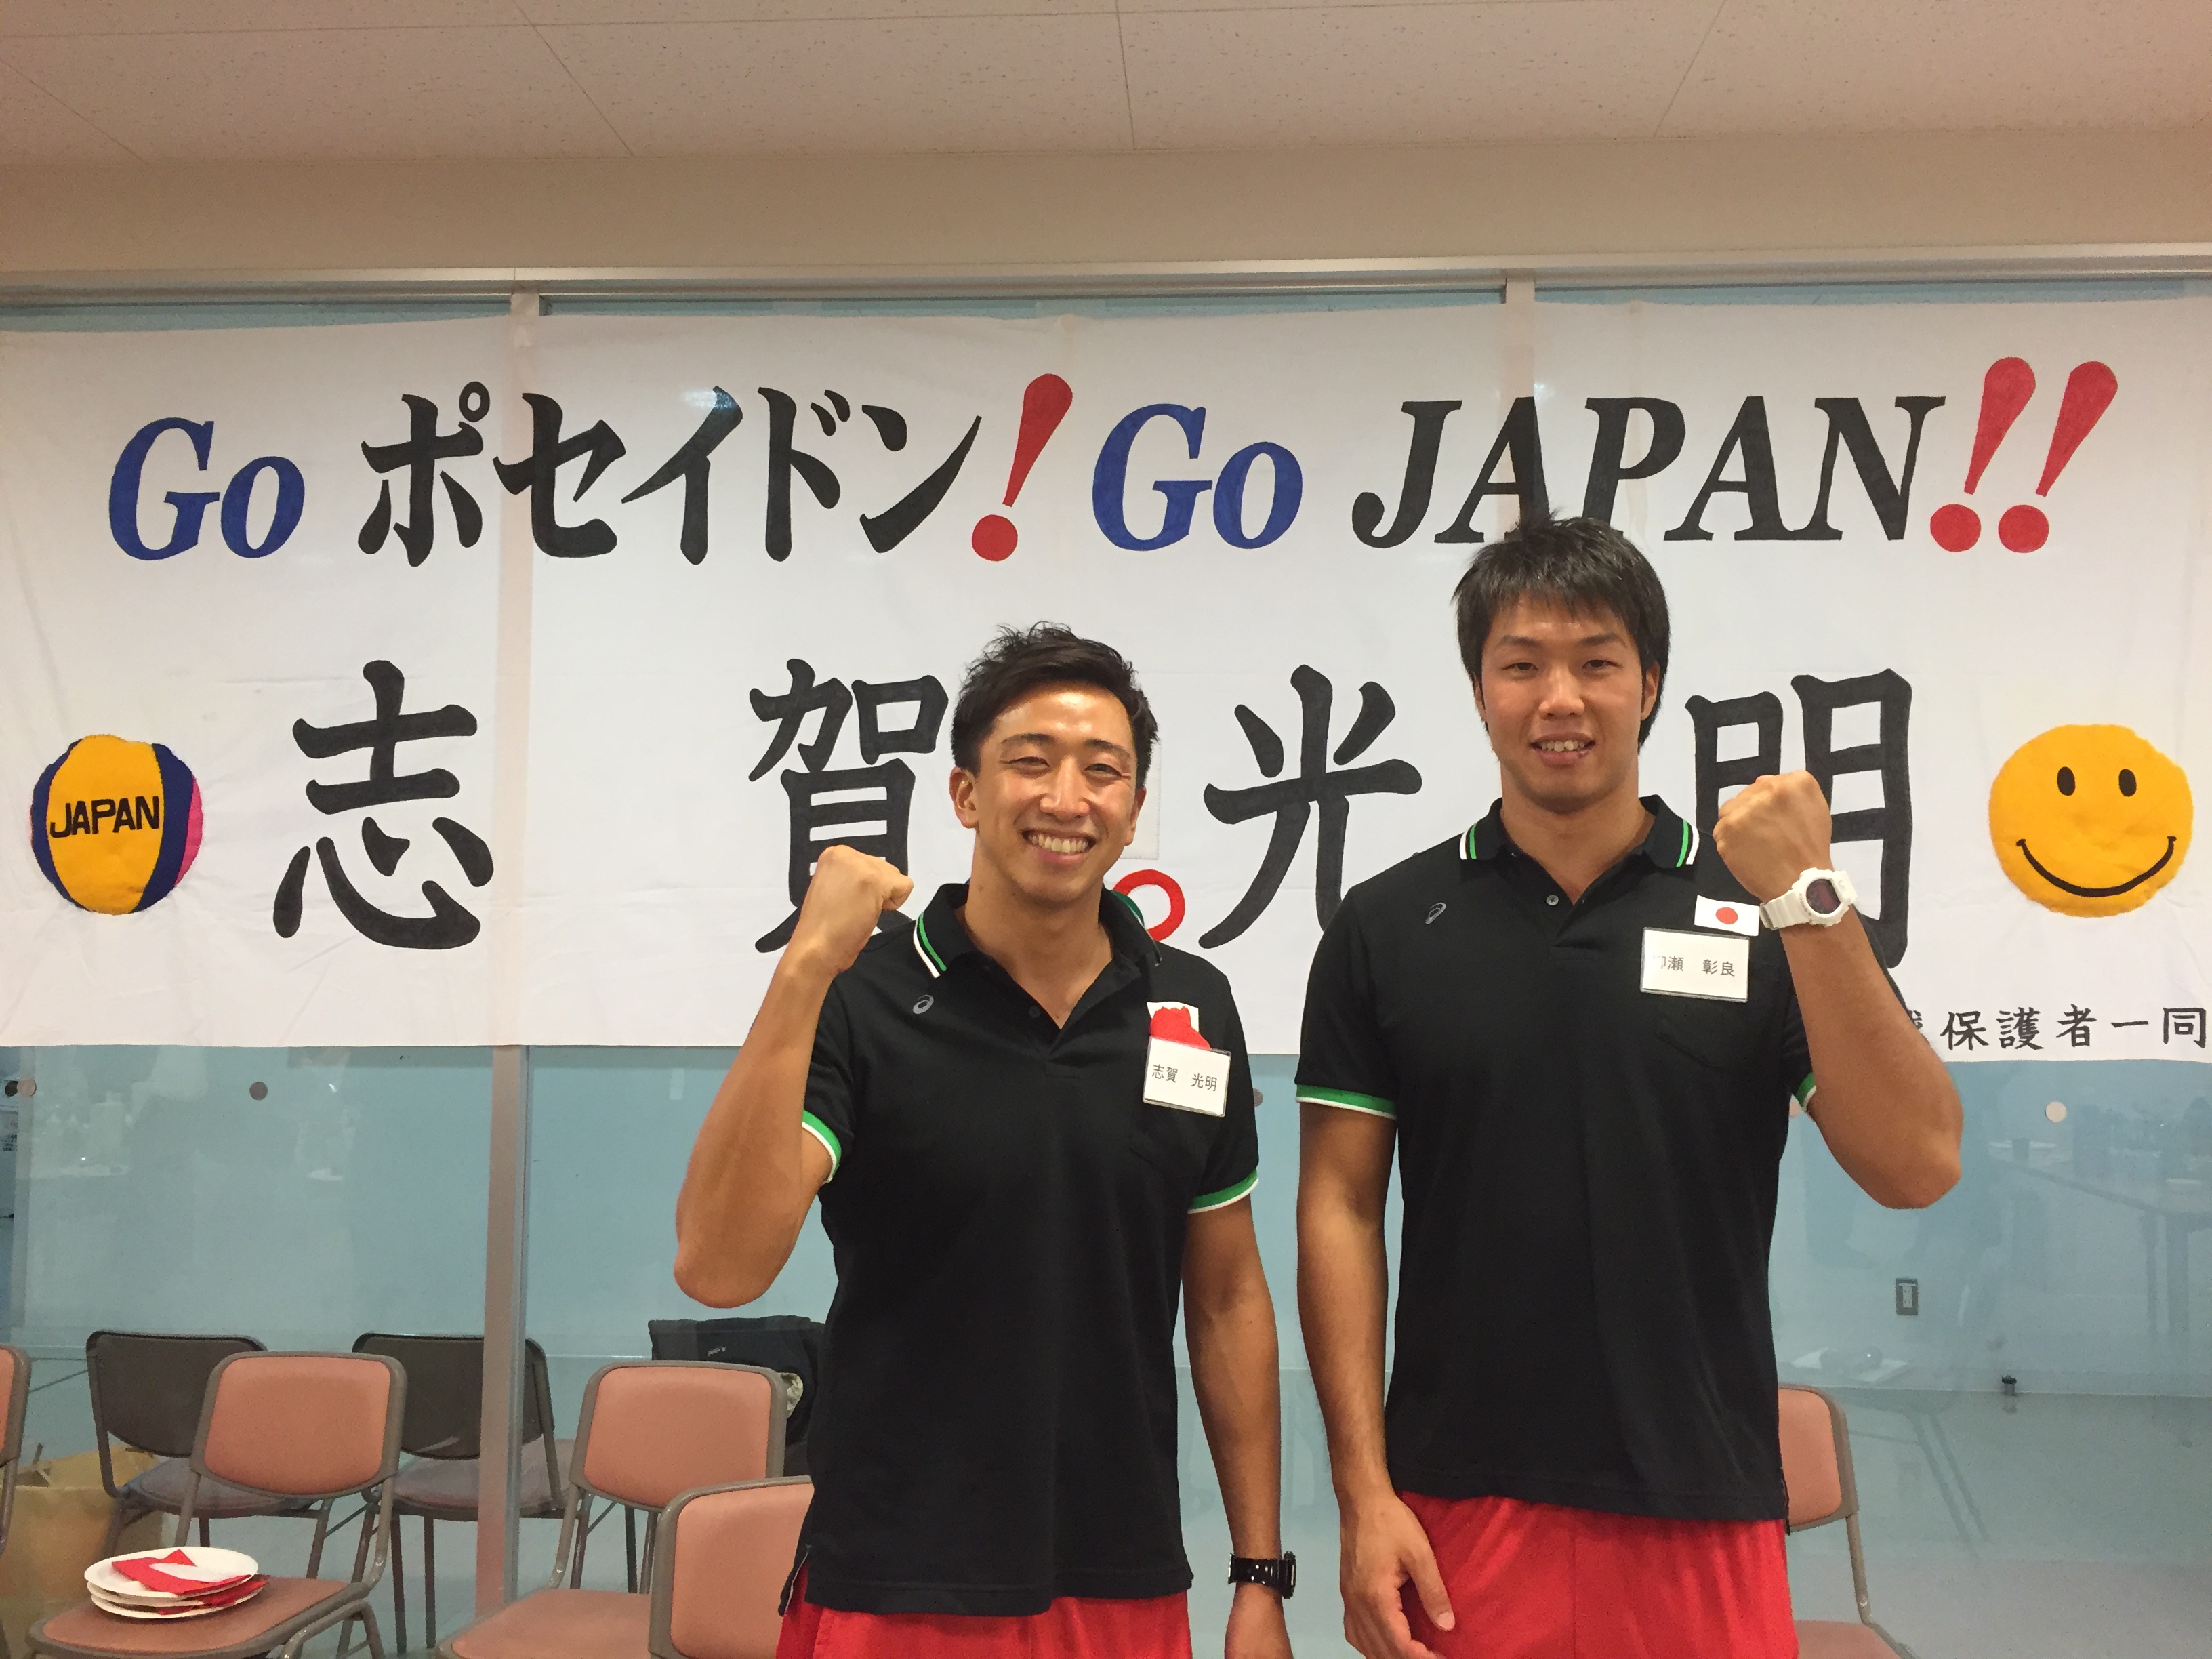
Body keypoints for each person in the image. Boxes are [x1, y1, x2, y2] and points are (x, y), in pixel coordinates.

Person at [1294, 516, 1962, 1659]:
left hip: (1701, 1495)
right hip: (1458, 1499)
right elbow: (1341, 1207)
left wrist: (1810, 893)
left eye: (1597, 662)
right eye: (1522, 665)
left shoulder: (1768, 911)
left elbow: (1918, 1166)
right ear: (1479, 690)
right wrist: (1363, 1493)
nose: (1560, 699)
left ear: (1649, 684)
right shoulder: (1389, 925)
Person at [676, 623, 1295, 1659]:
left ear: (1134, 809)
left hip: (1122, 1577)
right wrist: (805, 968)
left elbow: (1228, 1296)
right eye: (1031, 762)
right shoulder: (863, 999)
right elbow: (719, 1266)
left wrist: (1260, 1574)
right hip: (895, 1579)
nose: (1067, 798)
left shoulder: (1190, 1006)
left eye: (1103, 771)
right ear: (966, 794)